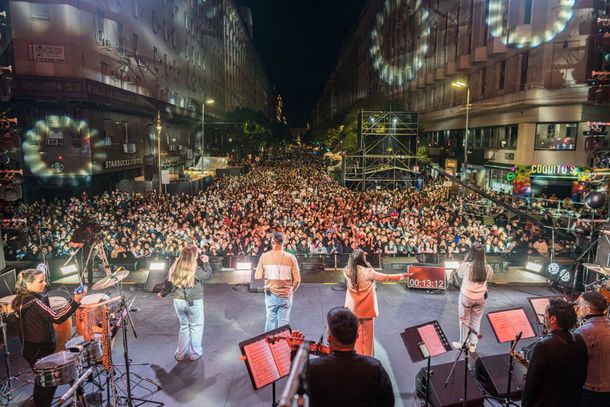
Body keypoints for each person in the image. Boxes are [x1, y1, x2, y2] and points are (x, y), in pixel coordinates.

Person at [12, 268, 87, 407]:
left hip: (30, 348)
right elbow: (56, 317)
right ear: (28, 284)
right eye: (41, 281)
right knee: (49, 385)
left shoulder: (20, 299)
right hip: (40, 349)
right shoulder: (34, 302)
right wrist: (76, 301)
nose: (45, 283)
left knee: (41, 383)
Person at [307, 307, 395, 407]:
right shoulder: (374, 367)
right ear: (357, 335)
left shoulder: (313, 368)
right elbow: (388, 403)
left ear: (329, 337)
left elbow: (296, 394)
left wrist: (295, 358)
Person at [344, 249, 411, 356]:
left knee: (357, 334)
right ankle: (368, 358)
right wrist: (402, 275)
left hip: (353, 309)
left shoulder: (347, 271)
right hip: (367, 309)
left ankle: (358, 356)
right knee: (368, 336)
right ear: (362, 259)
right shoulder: (368, 272)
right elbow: (386, 277)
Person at [521, 299, 587, 407]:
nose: (544, 317)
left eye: (545, 314)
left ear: (553, 319)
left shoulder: (543, 346)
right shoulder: (579, 339)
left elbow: (532, 384)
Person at [159, 245, 210, 361]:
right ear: (193, 255)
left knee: (184, 326)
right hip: (193, 301)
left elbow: (168, 281)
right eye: (196, 254)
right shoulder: (195, 268)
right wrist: (206, 263)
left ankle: (180, 354)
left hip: (178, 301)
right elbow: (207, 276)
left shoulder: (175, 265)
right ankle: (194, 354)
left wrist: (163, 293)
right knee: (196, 327)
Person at [254, 231, 300, 332]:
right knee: (283, 323)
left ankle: (268, 345)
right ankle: (283, 347)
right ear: (283, 242)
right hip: (286, 295)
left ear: (272, 242)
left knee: (270, 320)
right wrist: (292, 290)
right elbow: (297, 280)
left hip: (270, 294)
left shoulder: (264, 257)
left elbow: (257, 276)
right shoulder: (291, 258)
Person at [453, 242, 493, 352]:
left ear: (471, 253)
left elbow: (460, 275)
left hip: (466, 297)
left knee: (464, 320)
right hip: (481, 298)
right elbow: (488, 279)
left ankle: (462, 343)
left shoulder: (465, 266)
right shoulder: (488, 268)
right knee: (476, 320)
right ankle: (472, 346)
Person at [575, 291, 610, 407]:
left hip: (592, 392)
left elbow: (576, 363)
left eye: (580, 304)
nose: (578, 307)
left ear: (588, 309)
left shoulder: (584, 332)